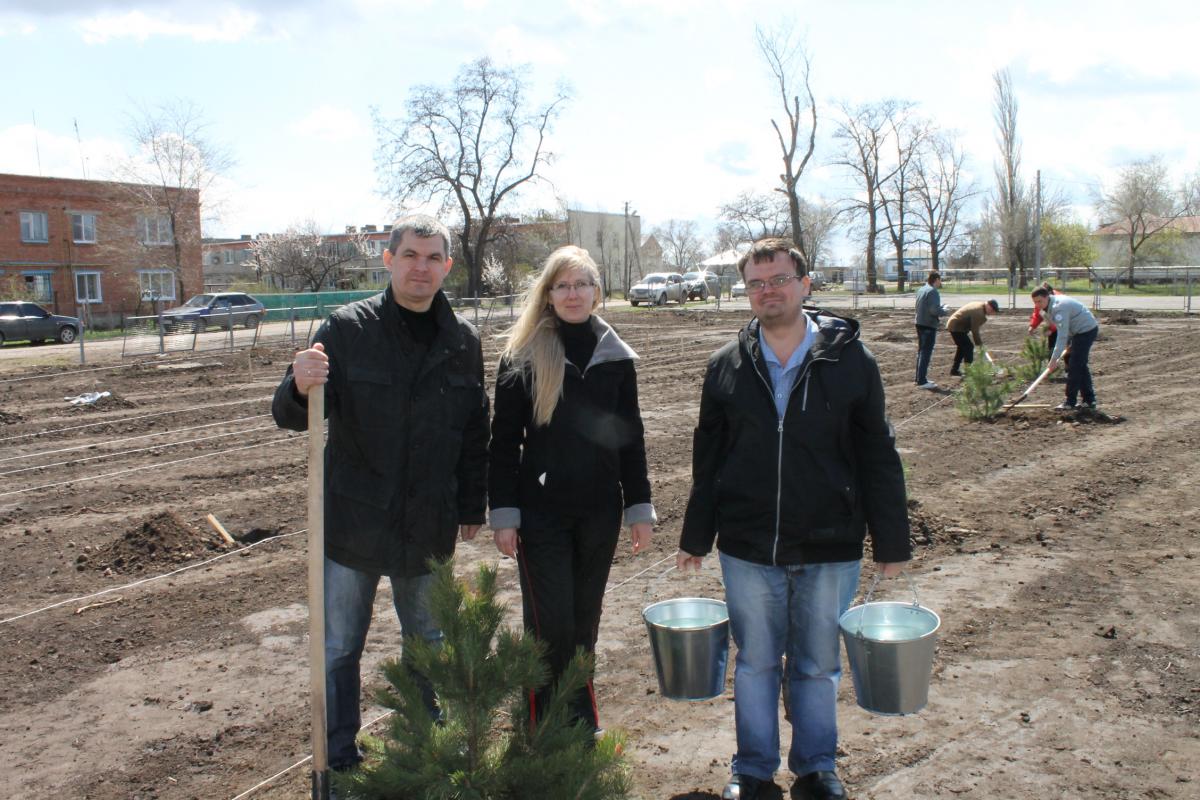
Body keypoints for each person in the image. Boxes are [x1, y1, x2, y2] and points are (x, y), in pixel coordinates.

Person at [677, 238, 911, 800]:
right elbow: (708, 458)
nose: (768, 291)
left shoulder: (851, 359)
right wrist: (695, 537)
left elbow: (877, 451)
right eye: (756, 283)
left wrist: (893, 542)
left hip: (830, 541)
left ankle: (816, 769)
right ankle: (753, 771)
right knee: (755, 662)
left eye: (779, 279)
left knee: (816, 664)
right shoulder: (726, 366)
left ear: (805, 285)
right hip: (748, 544)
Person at [271, 214, 489, 774]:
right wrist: (298, 384)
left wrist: (470, 506)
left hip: (428, 523)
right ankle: (338, 756)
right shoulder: (346, 330)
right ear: (388, 260)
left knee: (428, 642)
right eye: (411, 255)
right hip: (353, 523)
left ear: (447, 265)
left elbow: (473, 433)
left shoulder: (463, 342)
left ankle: (424, 743)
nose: (422, 266)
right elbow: (289, 417)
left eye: (433, 257)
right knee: (340, 645)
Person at [489, 245, 655, 733]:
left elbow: (632, 435)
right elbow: (503, 442)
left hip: (600, 511)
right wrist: (505, 513)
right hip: (542, 513)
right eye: (562, 285)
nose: (573, 294)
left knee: (585, 619)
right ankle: (540, 723)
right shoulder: (522, 355)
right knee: (549, 622)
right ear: (548, 294)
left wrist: (639, 507)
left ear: (597, 293)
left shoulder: (615, 357)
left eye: (582, 284)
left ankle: (581, 720)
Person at [1031, 285, 1099, 410]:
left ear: (1047, 297)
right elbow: (1058, 327)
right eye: (1035, 302)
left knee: (1074, 365)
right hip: (1075, 332)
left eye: (1040, 301)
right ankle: (1089, 400)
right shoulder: (1048, 306)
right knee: (1080, 365)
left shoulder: (1059, 308)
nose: (1037, 304)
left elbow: (1061, 335)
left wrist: (1053, 359)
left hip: (1086, 330)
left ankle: (1070, 402)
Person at [946, 299, 999, 376]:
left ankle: (954, 370)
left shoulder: (979, 306)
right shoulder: (979, 312)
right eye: (992, 309)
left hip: (956, 325)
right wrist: (979, 345)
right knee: (969, 347)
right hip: (956, 327)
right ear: (987, 305)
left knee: (962, 348)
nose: (992, 312)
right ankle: (968, 371)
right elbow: (975, 331)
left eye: (994, 310)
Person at [913, 271, 946, 390]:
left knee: (921, 351)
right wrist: (943, 311)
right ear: (936, 279)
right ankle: (922, 381)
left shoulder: (922, 289)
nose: (940, 282)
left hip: (919, 323)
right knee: (925, 353)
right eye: (939, 280)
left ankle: (919, 378)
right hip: (928, 325)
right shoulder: (933, 292)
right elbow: (933, 310)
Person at [1027, 282, 1069, 371]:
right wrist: (1032, 326)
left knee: (1065, 345)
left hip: (1065, 324)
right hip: (1053, 323)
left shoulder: (1058, 300)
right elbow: (1038, 314)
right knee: (1052, 344)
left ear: (1048, 294)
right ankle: (1051, 368)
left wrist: (1052, 329)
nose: (1039, 302)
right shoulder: (1040, 300)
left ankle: (1068, 366)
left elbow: (1060, 319)